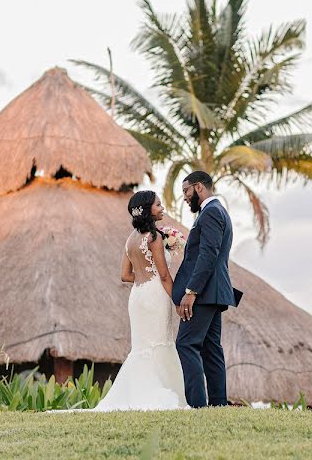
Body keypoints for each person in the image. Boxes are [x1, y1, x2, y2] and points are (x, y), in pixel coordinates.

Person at [92, 190, 188, 411]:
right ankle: (158, 393)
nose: (162, 208)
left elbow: (125, 275)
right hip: (155, 295)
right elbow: (164, 275)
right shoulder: (154, 237)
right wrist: (176, 300)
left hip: (137, 296)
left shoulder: (130, 239)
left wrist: (144, 277)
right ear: (147, 210)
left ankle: (135, 394)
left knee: (142, 347)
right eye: (158, 205)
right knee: (160, 343)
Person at [172, 171, 242, 408]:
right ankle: (218, 404)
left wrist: (191, 291)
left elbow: (208, 254)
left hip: (203, 293)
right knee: (211, 348)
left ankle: (197, 406)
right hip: (214, 292)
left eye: (186, 191)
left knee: (186, 344)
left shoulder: (211, 213)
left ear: (199, 188)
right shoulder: (218, 212)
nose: (184, 197)